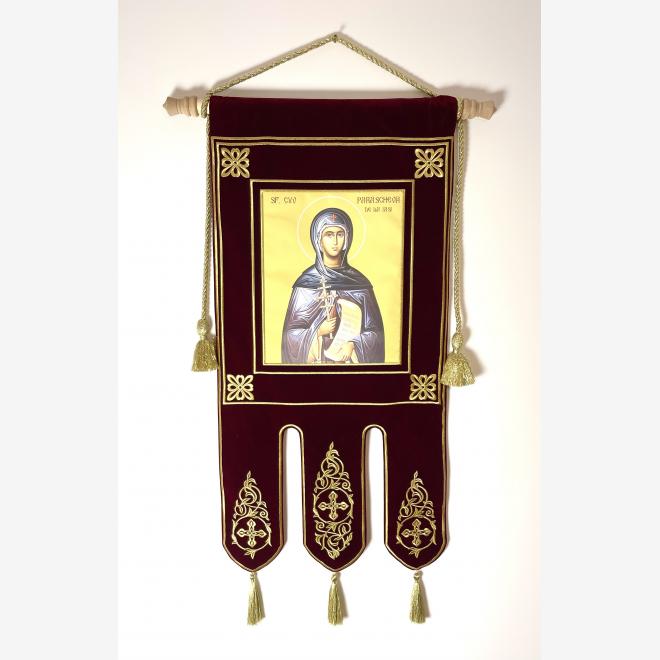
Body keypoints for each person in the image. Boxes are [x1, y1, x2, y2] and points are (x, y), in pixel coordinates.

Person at [281, 207, 385, 364]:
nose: (335, 241)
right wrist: (318, 331)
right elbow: (290, 335)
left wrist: (354, 344)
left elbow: (376, 333)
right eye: (329, 235)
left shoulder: (360, 283)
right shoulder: (305, 284)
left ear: (347, 239)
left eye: (340, 234)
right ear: (318, 239)